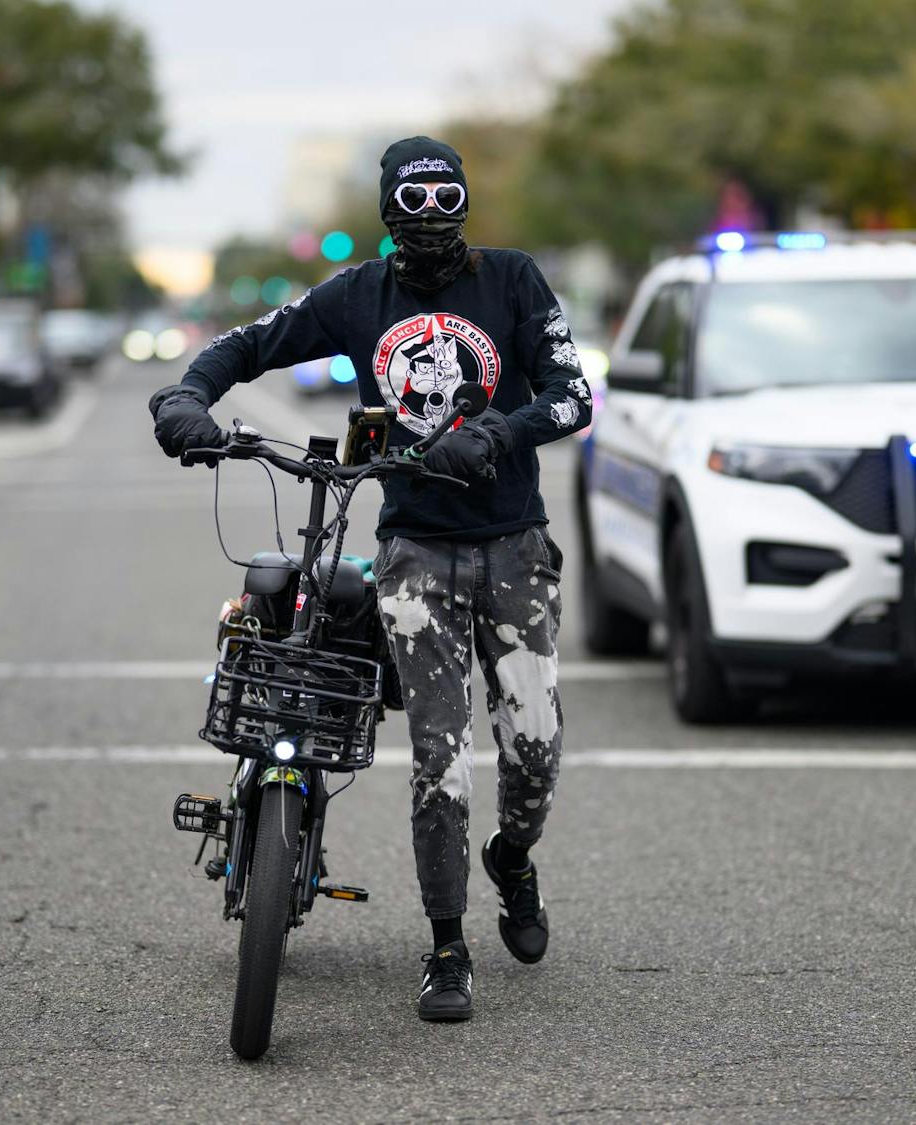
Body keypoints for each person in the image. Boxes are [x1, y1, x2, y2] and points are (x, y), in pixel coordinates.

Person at [150, 137, 592, 1022]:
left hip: (515, 547)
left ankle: (512, 859)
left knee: (534, 749)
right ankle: (446, 947)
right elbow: (250, 345)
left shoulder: (514, 281)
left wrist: (499, 433)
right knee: (439, 758)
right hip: (415, 554)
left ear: (464, 201)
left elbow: (575, 394)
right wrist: (185, 399)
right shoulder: (358, 297)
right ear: (389, 212)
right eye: (414, 202)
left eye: (447, 198)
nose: (432, 217)